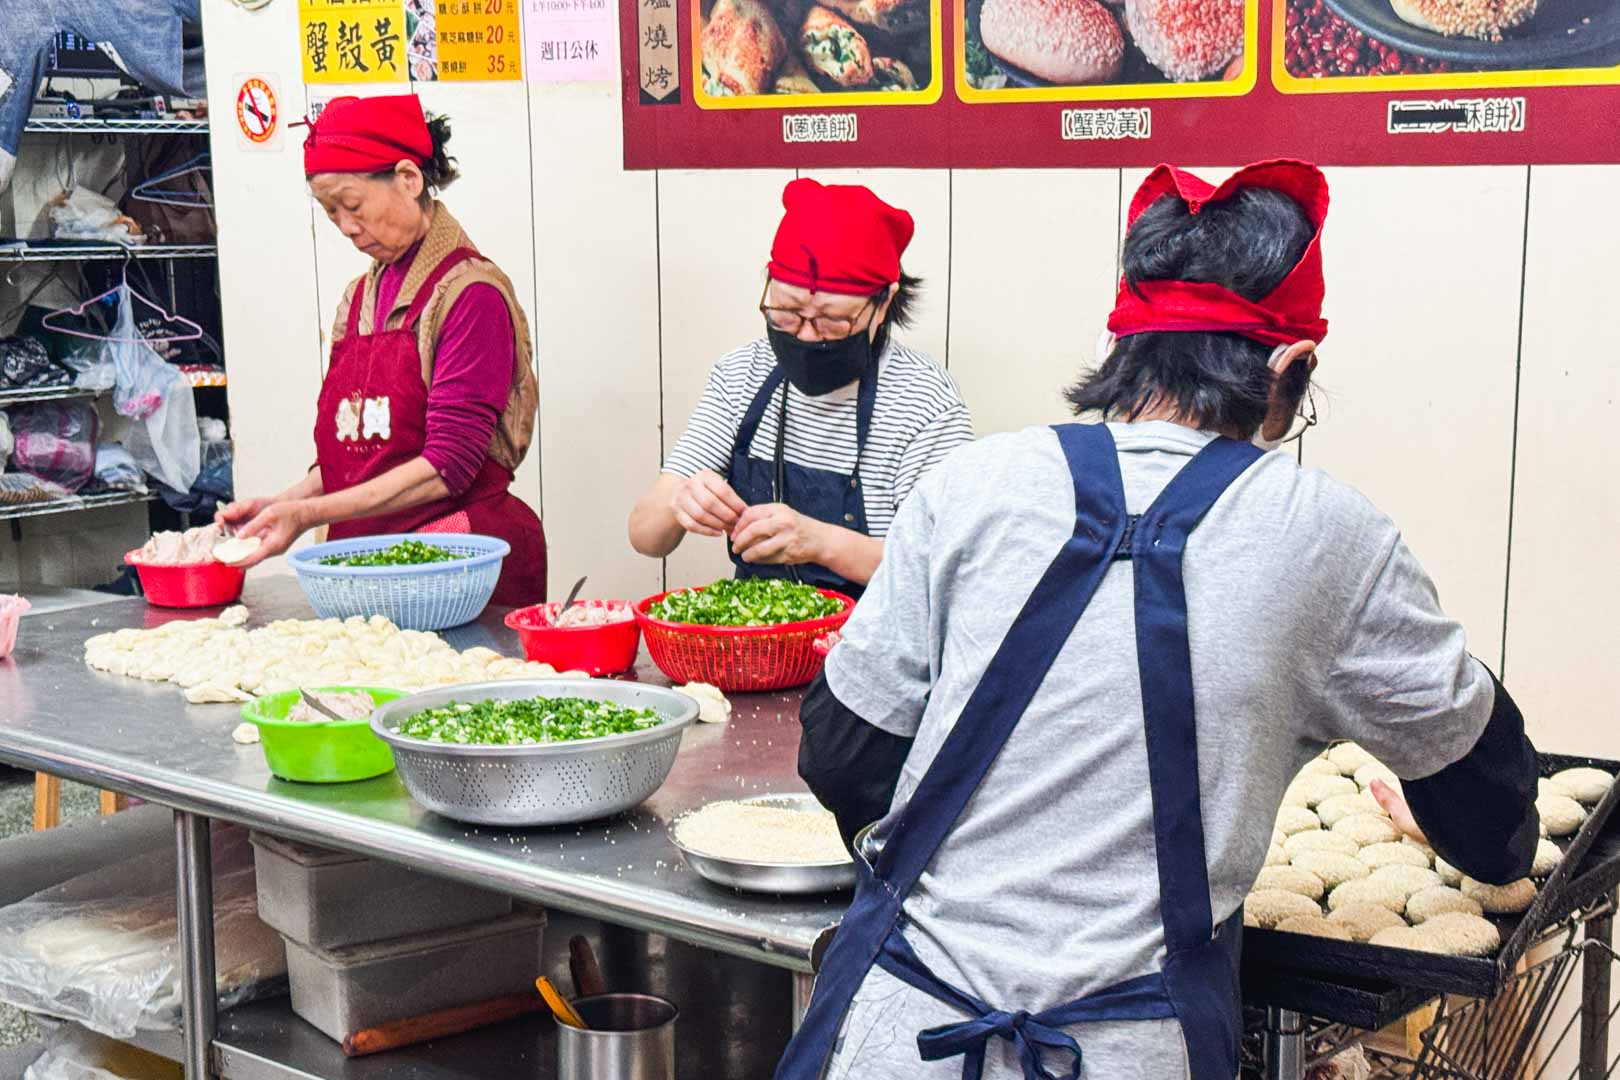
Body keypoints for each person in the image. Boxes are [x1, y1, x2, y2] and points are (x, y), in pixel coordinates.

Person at [781, 160, 1541, 1080]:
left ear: (1122, 347)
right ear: (1290, 367)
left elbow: (841, 753)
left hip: (899, 1034)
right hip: (1124, 1052)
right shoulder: (1326, 533)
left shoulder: (973, 484)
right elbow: (1489, 815)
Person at [217, 94, 545, 604]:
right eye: (331, 214)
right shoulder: (356, 301)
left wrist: (307, 517)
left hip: (456, 557)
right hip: (368, 558)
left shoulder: (469, 295)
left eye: (352, 206)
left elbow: (447, 466)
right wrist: (277, 506)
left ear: (409, 179)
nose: (347, 227)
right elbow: (359, 457)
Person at [627, 179, 973, 598]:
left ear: (883, 304)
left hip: (878, 653)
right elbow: (645, 536)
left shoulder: (925, 403)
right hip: (758, 651)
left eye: (831, 320)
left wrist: (820, 542)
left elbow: (939, 571)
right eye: (787, 313)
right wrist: (680, 500)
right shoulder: (742, 375)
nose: (807, 336)